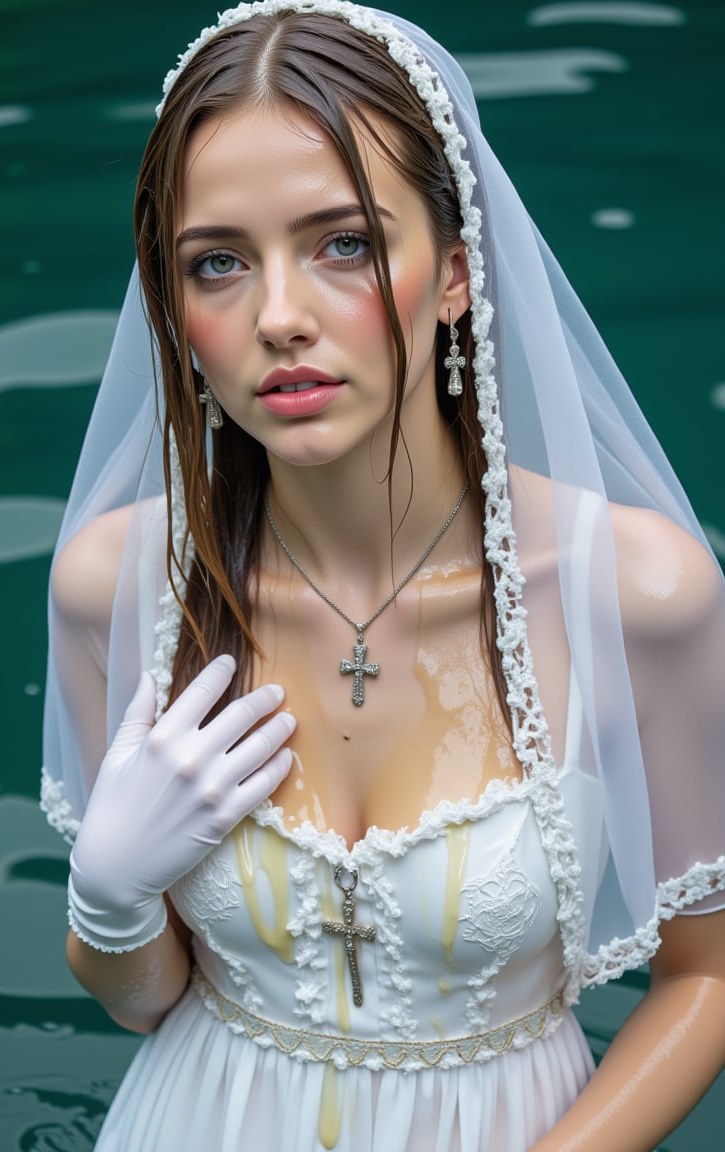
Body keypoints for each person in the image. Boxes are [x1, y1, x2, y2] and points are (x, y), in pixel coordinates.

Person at [40, 3, 725, 1149]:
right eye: (218, 263)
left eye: (344, 243)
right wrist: (104, 899)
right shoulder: (118, 586)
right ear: (176, 311)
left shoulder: (638, 594)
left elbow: (709, 977)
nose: (280, 317)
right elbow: (146, 1001)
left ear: (455, 273)